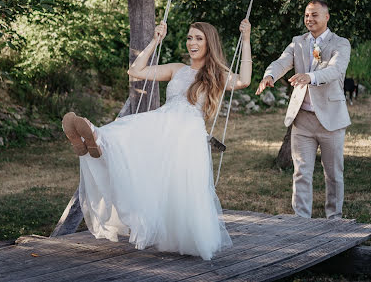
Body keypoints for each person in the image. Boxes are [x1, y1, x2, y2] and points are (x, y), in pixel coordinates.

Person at [62, 19, 252, 260]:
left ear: (209, 43)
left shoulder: (216, 74)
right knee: (131, 125)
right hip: (165, 119)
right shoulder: (177, 68)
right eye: (189, 37)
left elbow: (244, 80)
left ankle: (98, 138)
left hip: (187, 130)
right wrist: (155, 40)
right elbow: (136, 71)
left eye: (198, 38)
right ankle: (95, 140)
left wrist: (245, 40)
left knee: (178, 183)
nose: (192, 43)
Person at [256, 0, 351, 219]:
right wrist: (269, 75)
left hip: (331, 120)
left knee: (334, 175)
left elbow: (335, 70)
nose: (309, 19)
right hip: (302, 120)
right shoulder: (297, 42)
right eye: (307, 15)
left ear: (326, 17)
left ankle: (334, 219)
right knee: (301, 173)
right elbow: (282, 62)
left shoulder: (340, 44)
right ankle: (301, 220)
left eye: (314, 15)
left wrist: (310, 76)